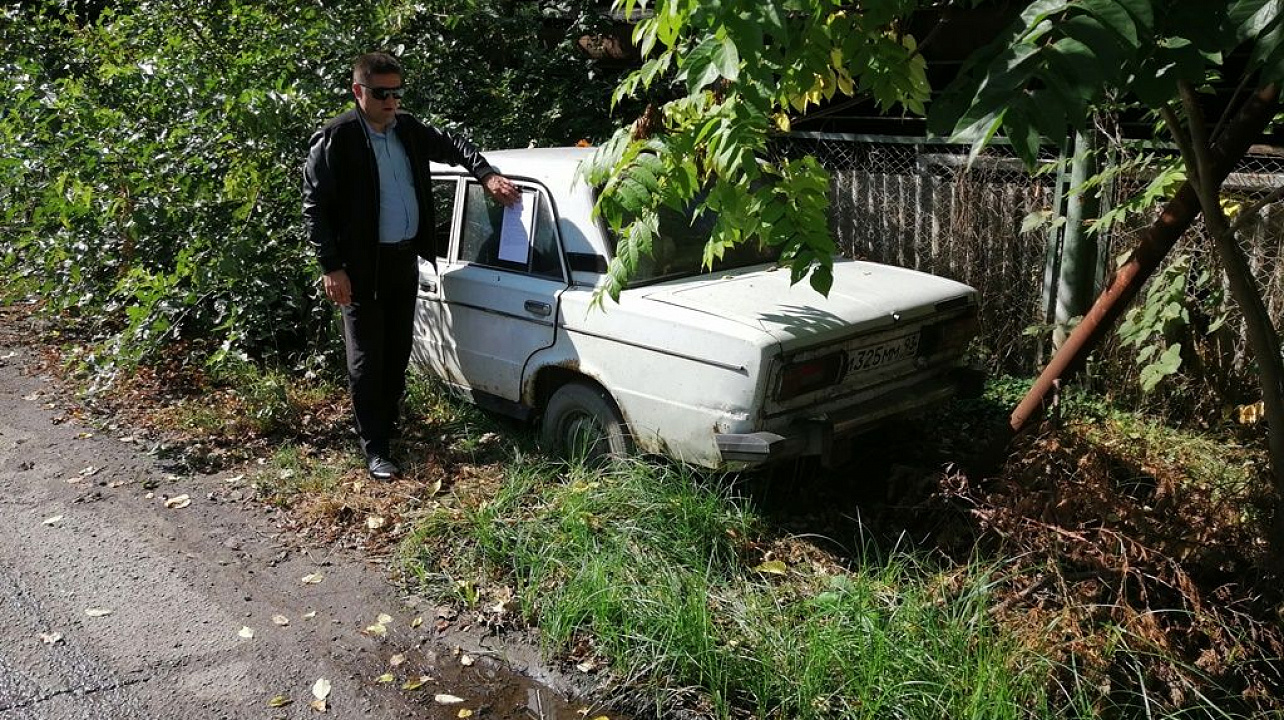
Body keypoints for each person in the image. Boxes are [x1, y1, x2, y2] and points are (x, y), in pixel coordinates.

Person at [302, 52, 519, 480]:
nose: (391, 101)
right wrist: (332, 266)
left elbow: (454, 143)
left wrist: (486, 175)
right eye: (382, 93)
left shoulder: (408, 130)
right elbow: (315, 207)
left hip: (403, 260)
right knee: (366, 358)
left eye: (397, 92)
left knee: (398, 349)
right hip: (361, 267)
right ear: (358, 91)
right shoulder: (337, 138)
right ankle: (375, 447)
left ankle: (391, 425)